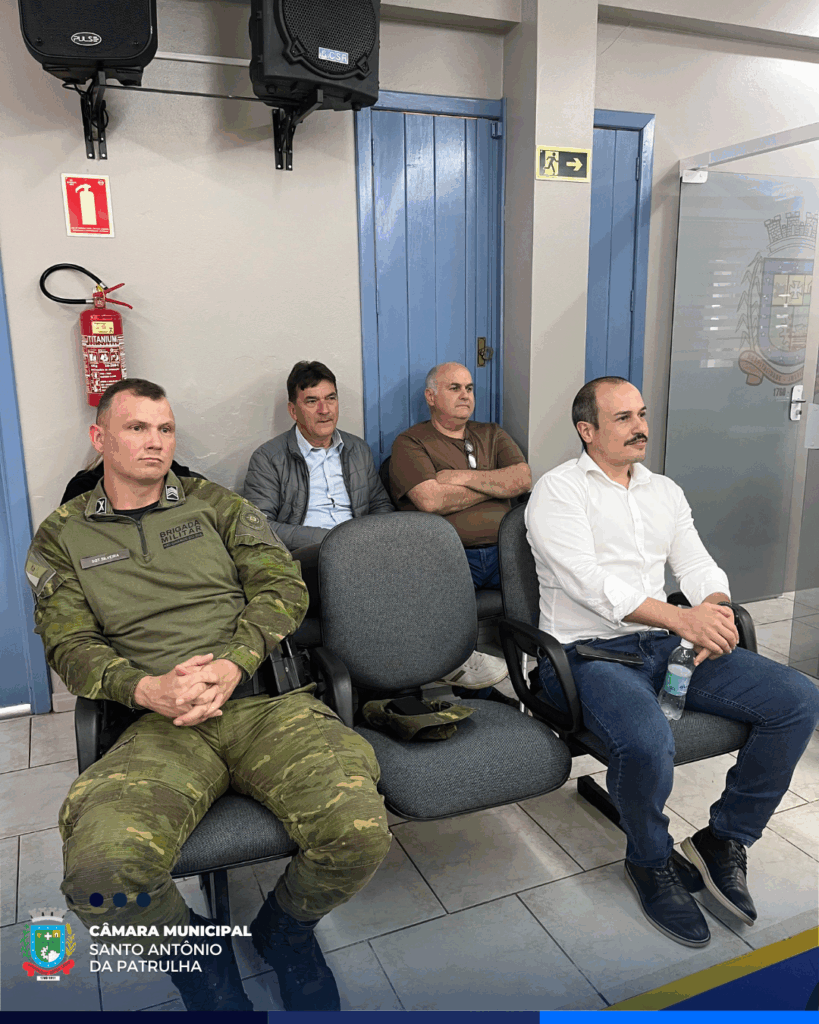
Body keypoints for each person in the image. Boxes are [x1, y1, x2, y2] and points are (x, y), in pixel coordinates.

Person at [25, 378, 391, 1012]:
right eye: (137, 427)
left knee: (358, 833)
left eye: (165, 429)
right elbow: (69, 645)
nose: (156, 441)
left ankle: (284, 931)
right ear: (100, 438)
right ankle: (199, 960)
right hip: (156, 724)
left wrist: (233, 661)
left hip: (264, 704)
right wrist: (145, 687)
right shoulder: (63, 534)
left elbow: (284, 587)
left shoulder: (215, 505)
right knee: (101, 877)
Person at [525, 375, 819, 948]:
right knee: (646, 738)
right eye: (623, 418)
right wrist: (683, 619)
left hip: (662, 645)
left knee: (798, 699)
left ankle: (725, 839)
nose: (640, 427)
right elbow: (589, 584)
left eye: (641, 414)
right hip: (585, 656)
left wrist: (715, 610)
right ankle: (649, 861)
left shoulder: (663, 490)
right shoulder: (558, 492)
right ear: (587, 431)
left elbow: (697, 564)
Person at [389, 362, 532, 700]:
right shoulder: (411, 442)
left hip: (505, 552)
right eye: (454, 388)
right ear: (431, 397)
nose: (465, 395)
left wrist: (460, 477)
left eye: (469, 388)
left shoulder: (492, 433)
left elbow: (523, 479)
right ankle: (482, 694)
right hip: (450, 556)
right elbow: (430, 500)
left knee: (555, 586)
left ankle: (542, 676)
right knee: (443, 624)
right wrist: (494, 486)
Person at [243, 360, 394, 615]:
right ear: (293, 410)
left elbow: (380, 505)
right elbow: (260, 526)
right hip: (308, 556)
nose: (324, 410)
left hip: (363, 549)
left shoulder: (357, 449)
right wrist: (330, 540)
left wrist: (370, 538)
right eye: (312, 401)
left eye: (330, 398)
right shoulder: (268, 458)